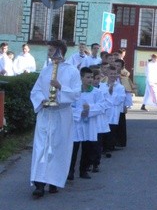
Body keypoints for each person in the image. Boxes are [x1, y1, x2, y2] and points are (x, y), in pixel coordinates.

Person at [29, 40, 81, 198]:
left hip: (61, 115)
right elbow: (36, 90)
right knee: (40, 147)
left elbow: (77, 94)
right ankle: (39, 183)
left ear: (60, 51)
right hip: (46, 114)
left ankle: (54, 181)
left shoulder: (72, 71)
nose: (49, 53)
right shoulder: (46, 70)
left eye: (51, 50)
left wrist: (61, 87)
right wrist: (41, 100)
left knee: (58, 148)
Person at [69, 67, 105, 180]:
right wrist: (80, 112)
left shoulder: (97, 92)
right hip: (77, 123)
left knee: (87, 147)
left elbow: (102, 106)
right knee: (74, 148)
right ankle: (70, 171)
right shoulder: (75, 92)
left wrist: (90, 109)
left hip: (90, 123)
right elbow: (70, 106)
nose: (90, 80)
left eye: (91, 77)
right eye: (87, 77)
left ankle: (83, 170)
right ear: (81, 78)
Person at [115, 58, 134, 148]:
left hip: (121, 104)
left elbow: (127, 93)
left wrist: (126, 105)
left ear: (122, 67)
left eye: (118, 66)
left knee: (121, 123)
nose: (116, 67)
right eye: (115, 65)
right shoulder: (110, 76)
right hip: (112, 104)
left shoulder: (124, 79)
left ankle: (121, 142)